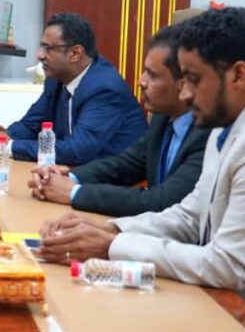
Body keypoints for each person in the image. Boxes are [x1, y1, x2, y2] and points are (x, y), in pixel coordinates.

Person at [38, 7, 245, 314]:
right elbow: (189, 217)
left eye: (194, 80)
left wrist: (110, 246)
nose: (185, 94)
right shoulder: (230, 125)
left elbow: (230, 265)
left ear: (238, 75)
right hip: (225, 304)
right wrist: (110, 230)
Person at [28, 25, 212, 216]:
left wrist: (73, 192)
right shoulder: (163, 117)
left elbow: (163, 202)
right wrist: (69, 177)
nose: (141, 81)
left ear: (184, 83)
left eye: (152, 75)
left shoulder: (206, 133)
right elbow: (126, 164)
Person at [0, 12, 146, 165]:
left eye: (48, 48)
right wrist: (2, 137)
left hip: (117, 181)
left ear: (75, 54)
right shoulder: (56, 79)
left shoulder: (104, 89)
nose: (39, 55)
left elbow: (77, 151)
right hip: (75, 172)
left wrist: (9, 146)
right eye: (41, 47)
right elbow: (31, 125)